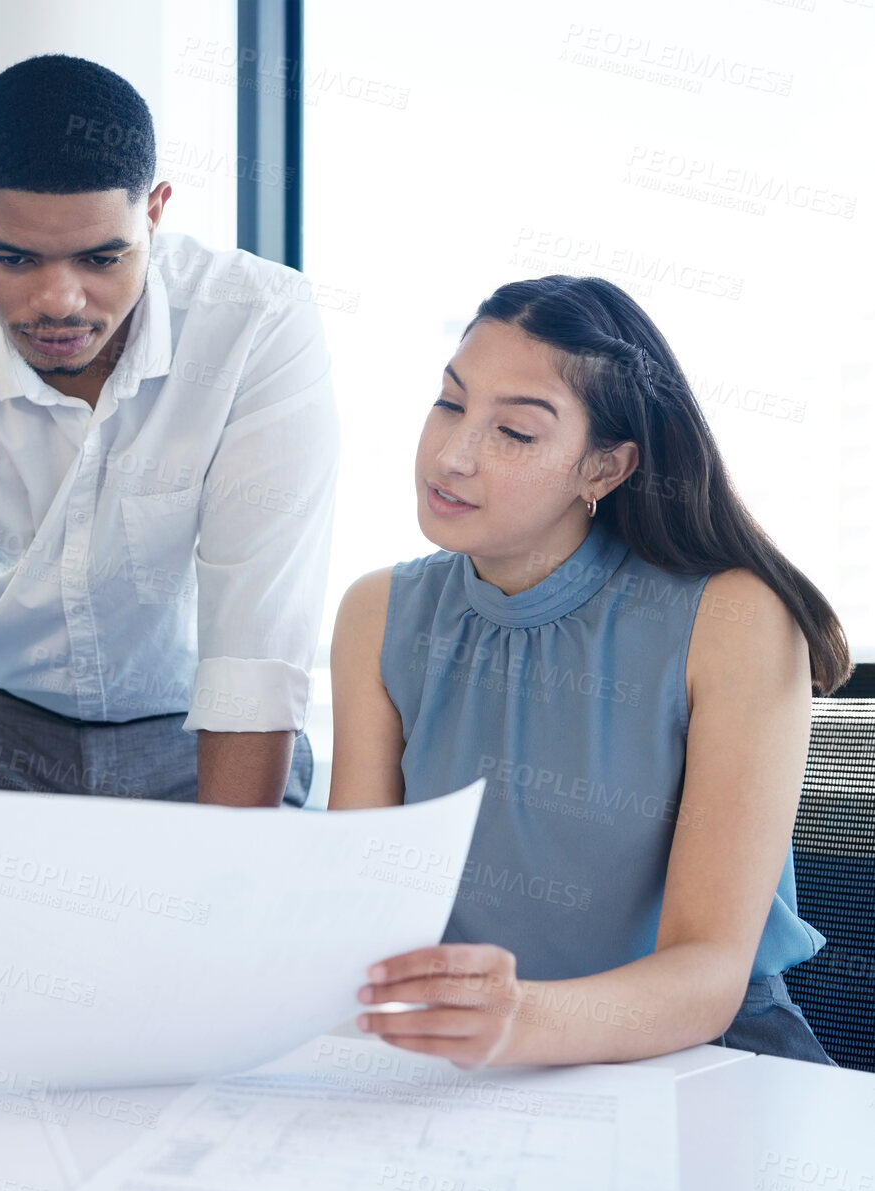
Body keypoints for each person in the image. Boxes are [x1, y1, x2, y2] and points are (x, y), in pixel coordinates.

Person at [330, 274, 850, 1068]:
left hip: (700, 1047)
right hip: (462, 1048)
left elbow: (709, 973)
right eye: (450, 402)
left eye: (516, 433)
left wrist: (521, 1020)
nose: (453, 455)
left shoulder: (736, 619)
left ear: (603, 470)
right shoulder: (377, 613)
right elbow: (359, 915)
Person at [0, 55, 339, 809]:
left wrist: (234, 891)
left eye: (103, 258)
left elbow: (255, 652)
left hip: (198, 724)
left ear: (156, 211)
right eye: (12, 258)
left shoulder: (259, 326)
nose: (59, 302)